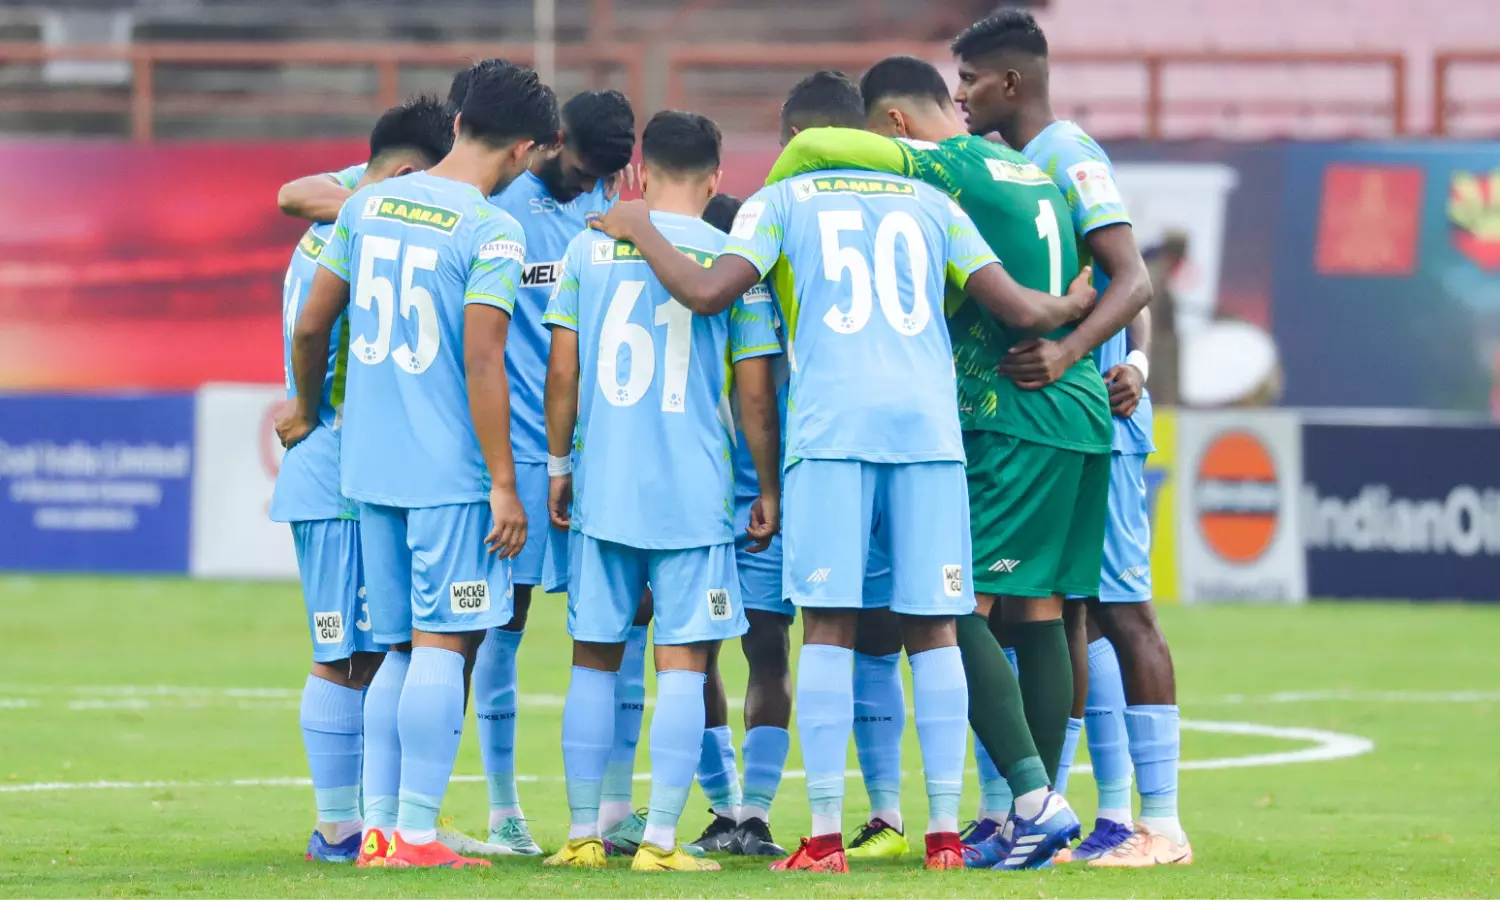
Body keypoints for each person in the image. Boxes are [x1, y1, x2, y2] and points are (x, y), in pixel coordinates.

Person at [588, 107, 1096, 875]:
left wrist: (641, 228)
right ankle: (946, 835)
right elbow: (1022, 308)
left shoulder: (780, 200)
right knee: (935, 625)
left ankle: (824, 837)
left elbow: (708, 293)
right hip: (929, 436)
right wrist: (1075, 307)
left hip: (834, 432)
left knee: (828, 624)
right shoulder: (931, 202)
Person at [765, 53, 1112, 869]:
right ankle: (1018, 817)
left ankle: (1033, 802)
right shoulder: (1030, 170)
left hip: (1000, 409)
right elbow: (1104, 273)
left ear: (890, 124)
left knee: (947, 611)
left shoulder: (929, 172)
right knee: (1041, 611)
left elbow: (819, 150)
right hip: (1078, 403)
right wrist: (1087, 333)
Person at [275, 59, 559, 869]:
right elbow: (483, 360)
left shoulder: (366, 206)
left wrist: (305, 408)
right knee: (442, 644)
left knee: (396, 647)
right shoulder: (492, 229)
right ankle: (418, 836)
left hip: (367, 470)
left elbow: (311, 325)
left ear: (461, 120)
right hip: (448, 476)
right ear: (524, 150)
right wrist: (503, 483)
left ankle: (378, 829)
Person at [953, 9, 1192, 867]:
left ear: (1012, 81)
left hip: (1095, 421)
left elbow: (1133, 281)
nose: (961, 94)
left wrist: (1083, 354)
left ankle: (1152, 822)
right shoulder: (1011, 167)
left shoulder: (1068, 154)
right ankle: (1044, 814)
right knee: (1060, 617)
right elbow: (1114, 284)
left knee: (1118, 611)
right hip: (1047, 420)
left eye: (971, 79)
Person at [539, 110, 782, 873]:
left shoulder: (587, 247)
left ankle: (582, 835)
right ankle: (662, 842)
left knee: (592, 659)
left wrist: (558, 466)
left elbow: (562, 371)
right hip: (693, 497)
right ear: (716, 180)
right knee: (684, 662)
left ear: (641, 175)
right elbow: (754, 395)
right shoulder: (734, 261)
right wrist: (768, 486)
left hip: (604, 489)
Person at [270, 95, 455, 865]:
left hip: (346, 469)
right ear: (409, 175)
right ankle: (340, 829)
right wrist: (306, 408)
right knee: (346, 655)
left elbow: (300, 196)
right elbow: (312, 326)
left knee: (375, 650)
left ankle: (379, 823)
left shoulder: (347, 215)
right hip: (339, 467)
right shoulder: (363, 227)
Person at [469, 87, 637, 858]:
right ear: (555, 139)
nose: (591, 185)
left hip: (603, 458)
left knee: (622, 629)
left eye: (606, 175)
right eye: (583, 169)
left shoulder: (618, 209)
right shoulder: (500, 206)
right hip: (523, 458)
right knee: (501, 627)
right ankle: (502, 812)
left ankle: (614, 808)